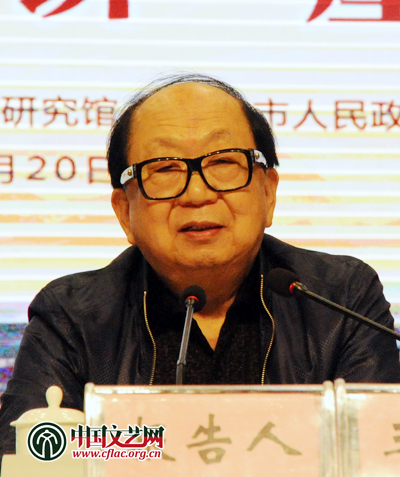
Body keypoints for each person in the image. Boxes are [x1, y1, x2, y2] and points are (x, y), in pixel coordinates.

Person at [0, 73, 399, 461]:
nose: (196, 193)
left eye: (223, 162)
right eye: (165, 169)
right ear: (124, 212)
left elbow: (377, 455)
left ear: (268, 191)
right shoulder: (72, 316)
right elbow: (30, 458)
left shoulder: (341, 299)